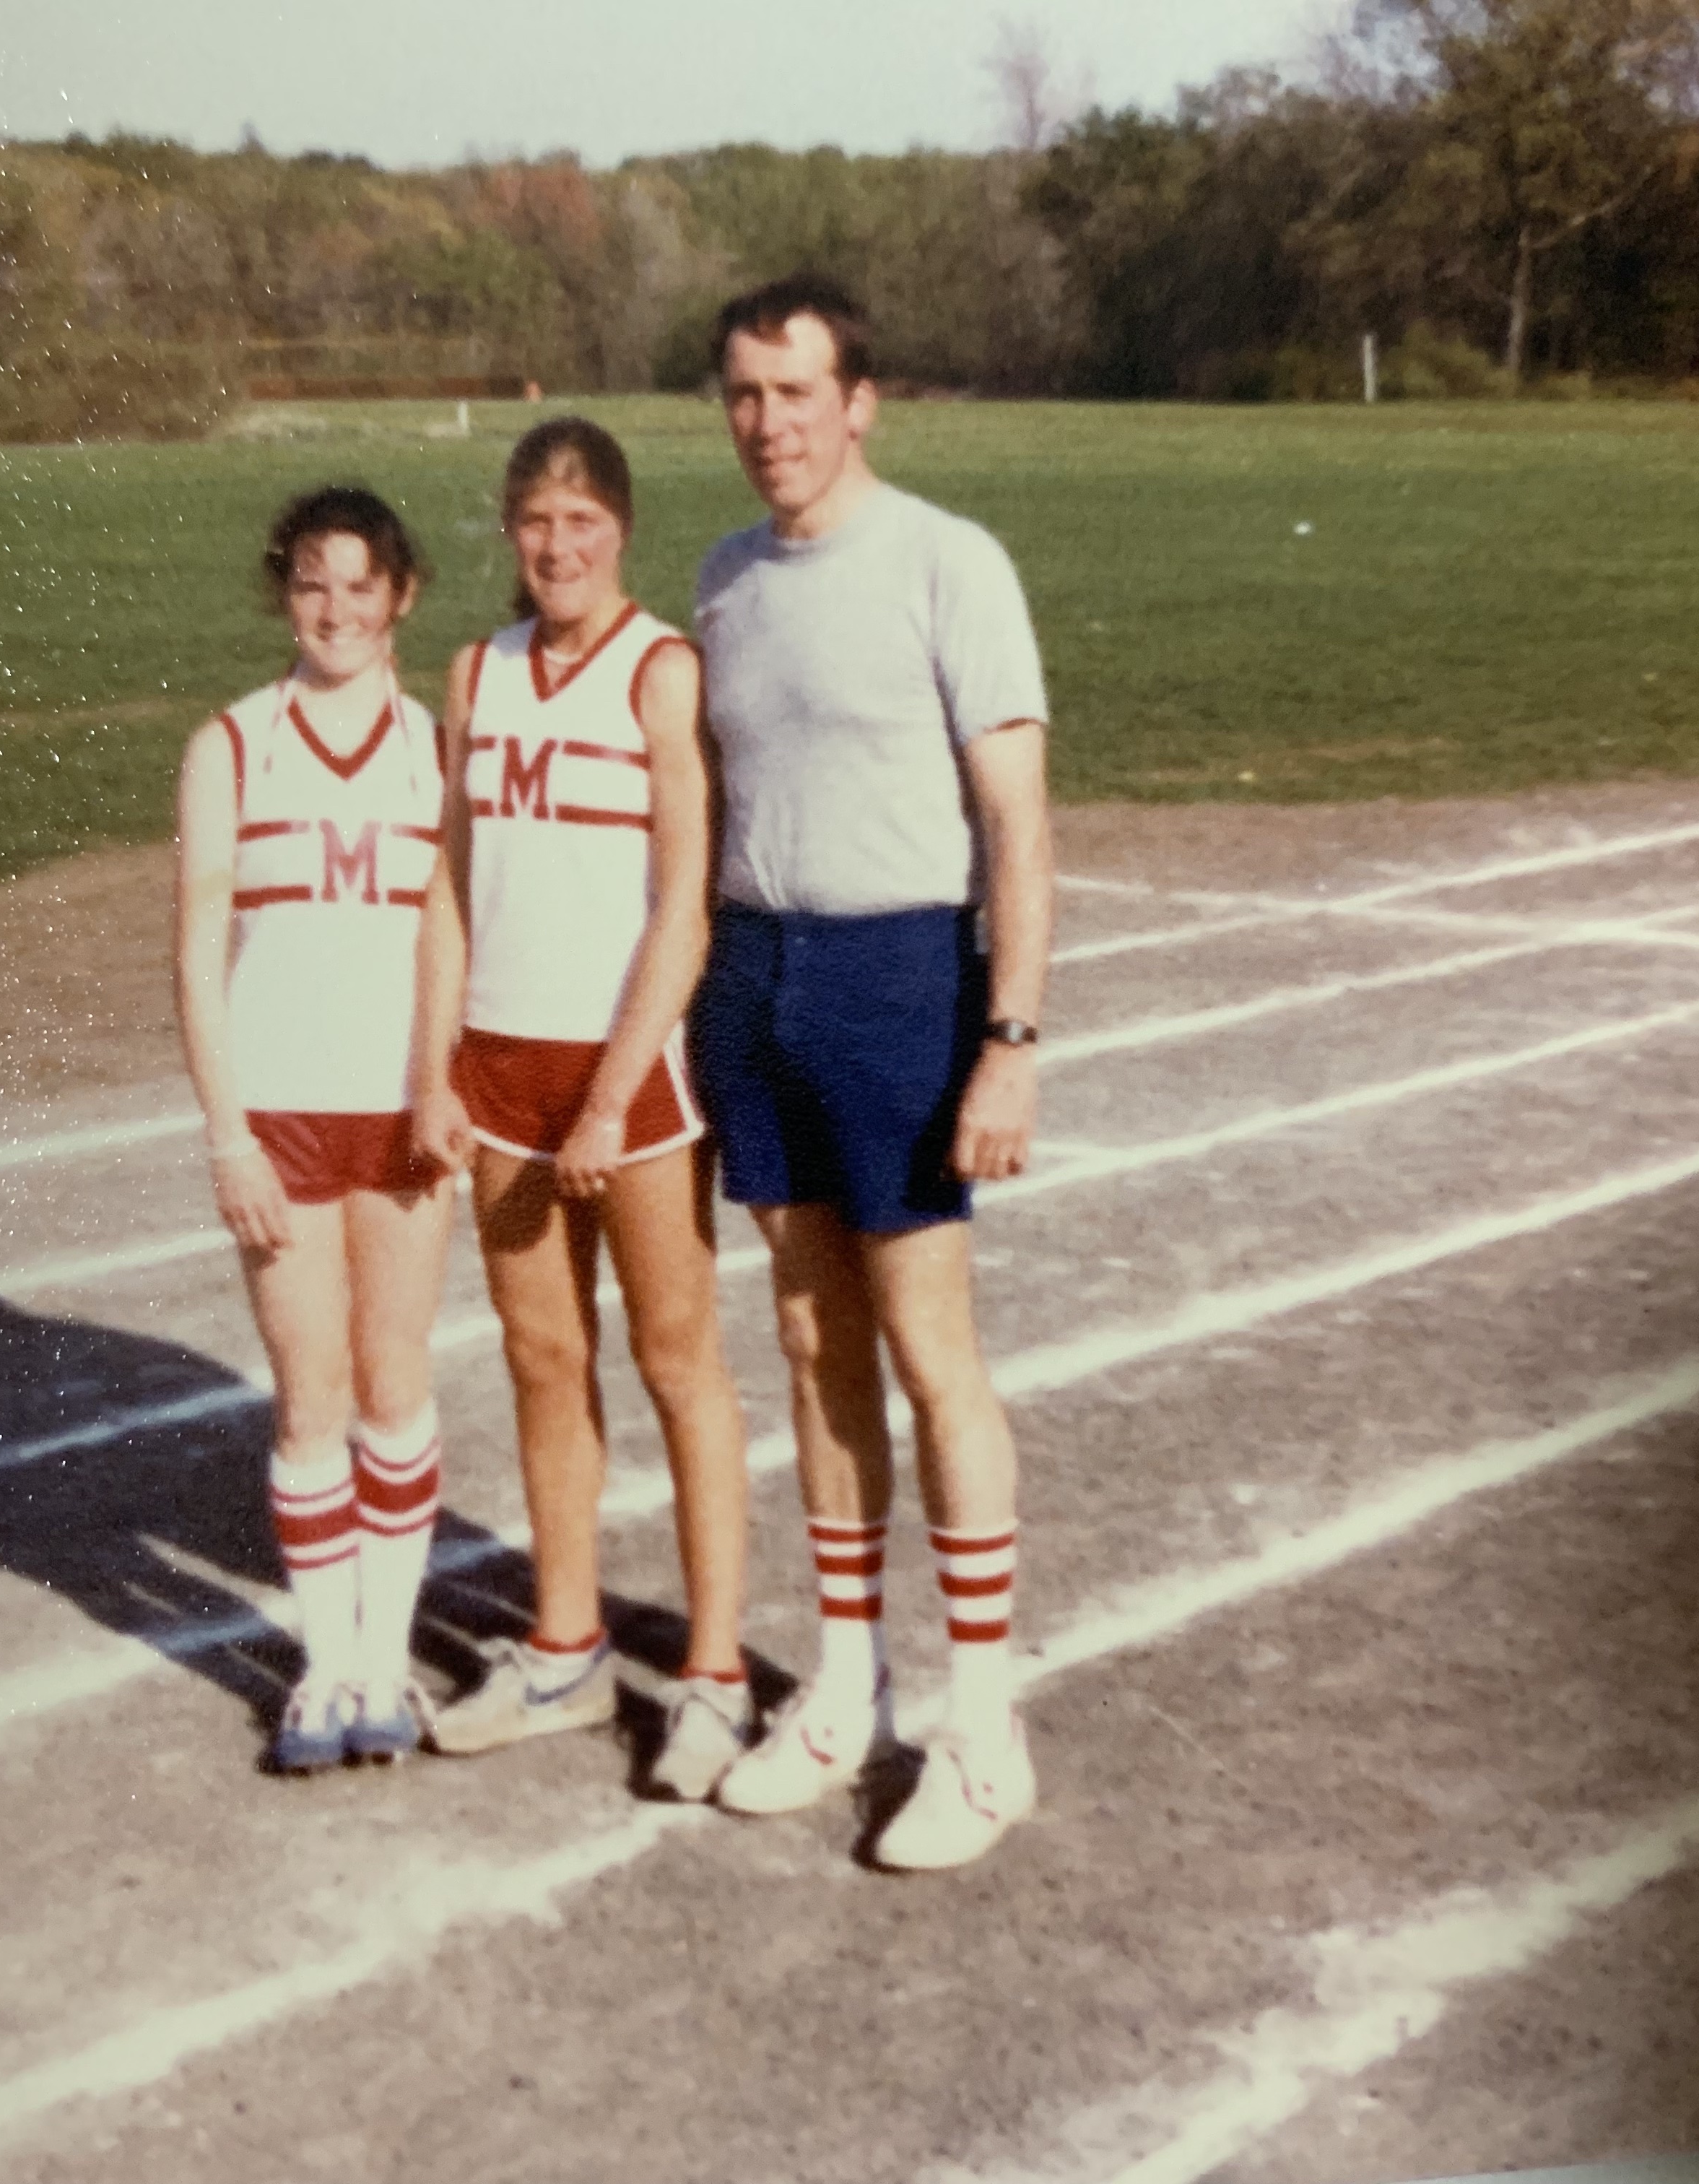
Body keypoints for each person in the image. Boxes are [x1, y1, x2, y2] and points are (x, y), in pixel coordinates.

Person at [686, 274, 1055, 1870]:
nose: (770, 423)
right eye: (746, 395)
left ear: (862, 401)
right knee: (807, 1331)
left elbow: (1020, 825)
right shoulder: (721, 581)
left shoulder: (946, 561)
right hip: (755, 972)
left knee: (926, 1344)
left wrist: (1013, 1039)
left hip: (902, 972)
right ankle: (844, 1688)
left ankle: (982, 1729)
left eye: (797, 391)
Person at [410, 417, 755, 1800]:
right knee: (544, 1360)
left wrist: (614, 1091)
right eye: (536, 524)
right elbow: (446, 885)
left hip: (638, 1083)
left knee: (678, 1361)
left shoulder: (662, 671)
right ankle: (564, 1648)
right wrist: (436, 1067)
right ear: (512, 532)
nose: (559, 547)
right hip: (502, 1069)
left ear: (620, 528)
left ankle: (717, 1676)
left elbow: (685, 902)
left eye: (583, 522)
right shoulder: (476, 673)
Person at [173, 485, 455, 1775]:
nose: (334, 608)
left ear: (401, 595)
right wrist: (227, 1134)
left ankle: (384, 1661)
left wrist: (447, 1083)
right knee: (310, 1401)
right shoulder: (232, 744)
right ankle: (325, 1668)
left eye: (360, 584)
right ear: (283, 594)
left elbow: (462, 935)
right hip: (282, 1114)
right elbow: (195, 952)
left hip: (403, 1110)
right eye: (309, 584)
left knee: (396, 1386)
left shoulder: (436, 746)